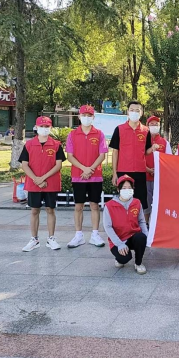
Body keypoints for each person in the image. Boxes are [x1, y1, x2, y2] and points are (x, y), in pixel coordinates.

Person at [19, 116, 66, 252]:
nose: (44, 129)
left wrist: (43, 178)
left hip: (50, 183)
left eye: (47, 127)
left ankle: (51, 238)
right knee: (34, 210)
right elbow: (24, 165)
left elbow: (58, 165)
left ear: (51, 128)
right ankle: (34, 239)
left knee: (50, 209)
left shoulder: (56, 145)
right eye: (41, 126)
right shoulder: (29, 145)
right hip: (34, 183)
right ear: (36, 127)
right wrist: (36, 179)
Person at [65, 105, 108, 248]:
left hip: (95, 176)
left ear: (93, 117)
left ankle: (95, 235)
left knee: (95, 205)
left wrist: (91, 169)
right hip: (78, 176)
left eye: (89, 116)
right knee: (78, 206)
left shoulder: (99, 134)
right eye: (84, 115)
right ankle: (78, 235)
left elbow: (102, 155)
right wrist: (84, 169)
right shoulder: (72, 135)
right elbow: (70, 156)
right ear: (79, 116)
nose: (86, 118)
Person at [109, 100, 150, 212]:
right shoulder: (119, 129)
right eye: (132, 110)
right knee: (124, 201)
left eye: (137, 110)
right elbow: (115, 152)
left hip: (140, 172)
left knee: (140, 203)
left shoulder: (146, 131)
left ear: (141, 113)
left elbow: (146, 151)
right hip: (123, 171)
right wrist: (114, 173)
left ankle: (139, 223)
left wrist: (154, 149)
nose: (134, 113)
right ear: (128, 112)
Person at [103, 175, 148, 274]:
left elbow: (141, 221)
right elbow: (107, 227)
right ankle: (119, 259)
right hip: (118, 239)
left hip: (133, 235)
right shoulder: (110, 205)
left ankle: (138, 263)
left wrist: (146, 236)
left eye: (129, 188)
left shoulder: (137, 202)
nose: (127, 190)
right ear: (118, 189)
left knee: (141, 237)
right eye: (124, 188)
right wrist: (119, 244)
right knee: (124, 259)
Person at [144, 116, 171, 222]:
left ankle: (157, 225)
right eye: (152, 124)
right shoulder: (143, 141)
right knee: (146, 203)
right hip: (145, 177)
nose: (154, 126)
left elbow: (169, 160)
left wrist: (158, 170)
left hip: (159, 179)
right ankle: (145, 224)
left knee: (159, 203)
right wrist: (147, 169)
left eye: (156, 124)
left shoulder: (164, 142)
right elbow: (138, 157)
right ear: (147, 126)